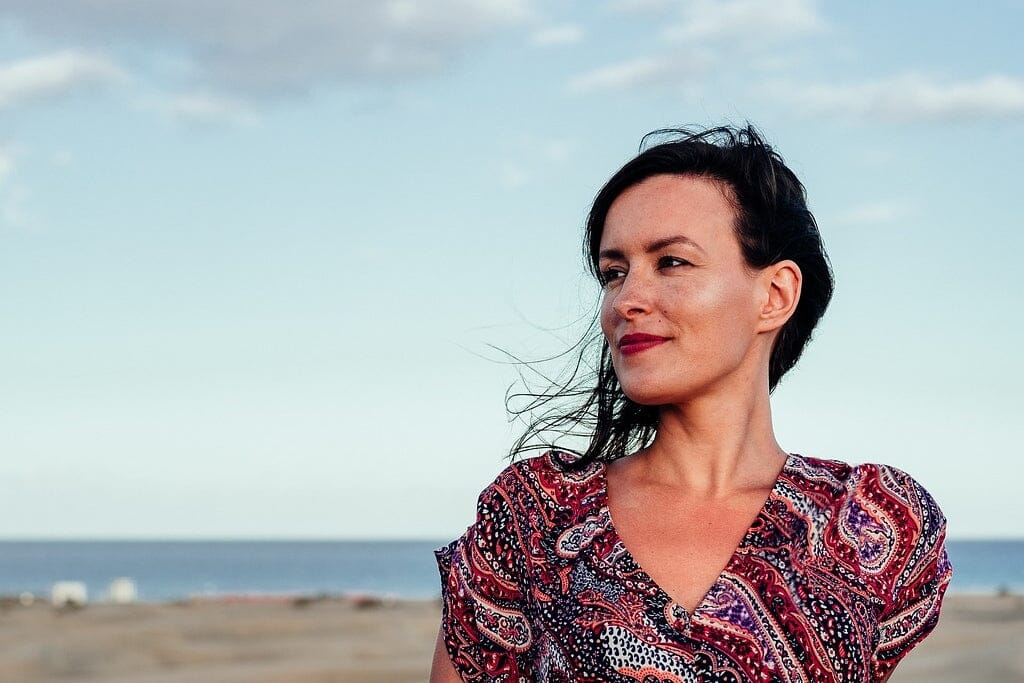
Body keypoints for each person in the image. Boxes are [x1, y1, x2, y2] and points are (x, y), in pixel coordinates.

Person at [430, 125, 952, 683]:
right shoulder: (534, 515)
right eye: (614, 273)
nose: (627, 300)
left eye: (672, 262)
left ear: (774, 296)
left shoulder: (872, 523)